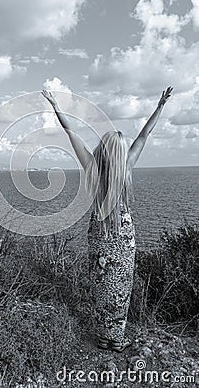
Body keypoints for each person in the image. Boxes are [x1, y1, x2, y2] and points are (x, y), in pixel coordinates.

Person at [42, 87, 173, 352]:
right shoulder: (126, 168)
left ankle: (103, 336)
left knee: (101, 282)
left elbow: (71, 134)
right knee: (121, 284)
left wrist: (56, 107)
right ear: (120, 152)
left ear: (103, 150)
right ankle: (117, 338)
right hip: (122, 233)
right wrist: (159, 106)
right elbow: (144, 135)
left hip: (99, 232)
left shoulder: (92, 168)